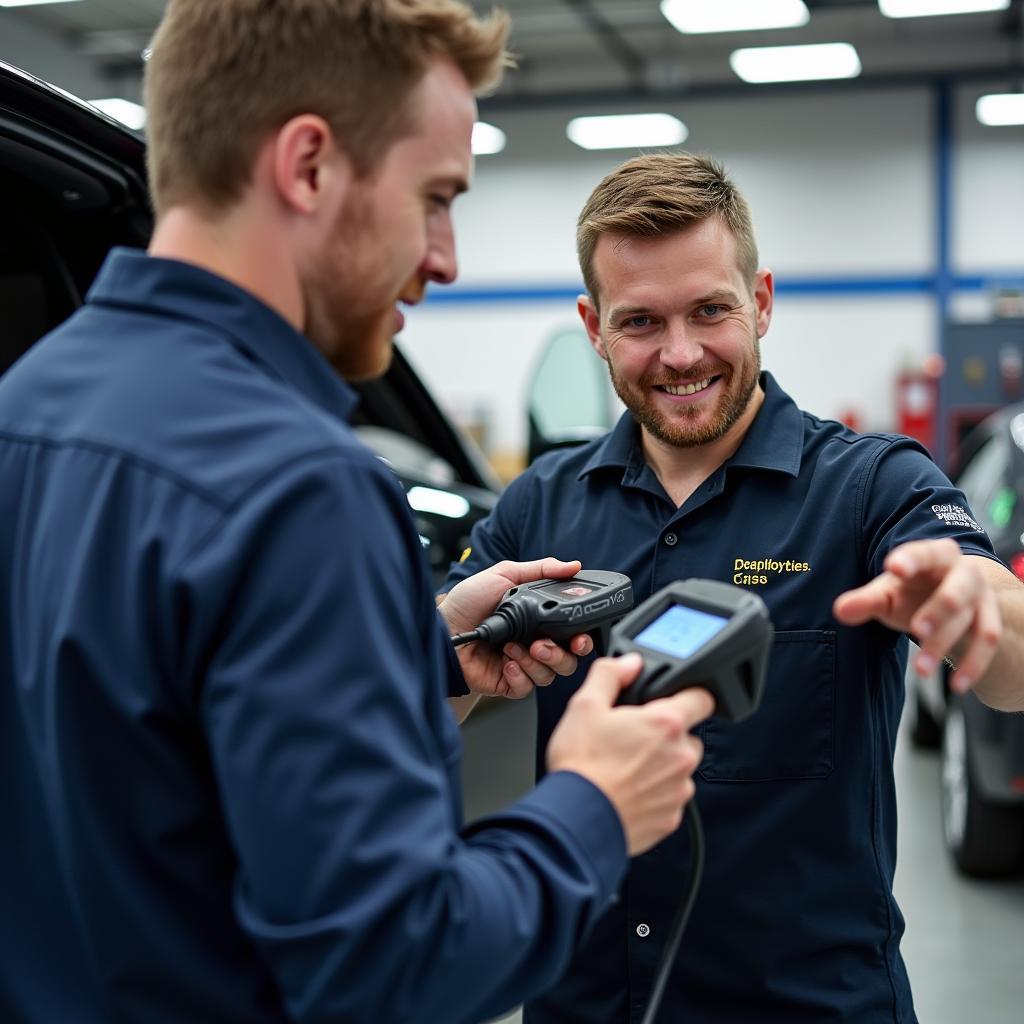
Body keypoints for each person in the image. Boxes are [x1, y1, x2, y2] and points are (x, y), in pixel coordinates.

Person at [0, 6, 715, 1023]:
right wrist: (592, 804)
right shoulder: (301, 487)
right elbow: (399, 965)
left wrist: (416, 651)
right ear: (307, 167)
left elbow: (133, 746)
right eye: (434, 198)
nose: (447, 257)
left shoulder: (23, 410)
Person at [444, 151, 1024, 1023]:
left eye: (710, 309)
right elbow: (414, 705)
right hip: (586, 1004)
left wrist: (982, 609)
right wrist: (446, 658)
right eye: (640, 321)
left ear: (760, 302)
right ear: (593, 326)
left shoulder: (872, 487)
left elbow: (1011, 656)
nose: (681, 355)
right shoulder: (538, 506)